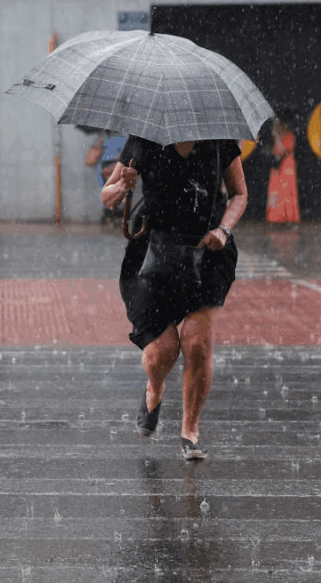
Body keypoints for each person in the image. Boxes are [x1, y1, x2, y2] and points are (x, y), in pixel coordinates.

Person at [101, 136, 246, 460]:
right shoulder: (144, 140)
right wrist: (123, 186)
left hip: (208, 251)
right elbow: (107, 197)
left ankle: (190, 431)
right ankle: (154, 387)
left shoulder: (219, 141)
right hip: (153, 252)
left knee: (198, 344)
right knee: (162, 353)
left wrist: (224, 229)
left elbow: (239, 193)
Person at [265, 118, 300, 224]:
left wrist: (277, 137)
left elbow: (281, 150)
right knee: (275, 191)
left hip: (286, 167)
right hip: (277, 167)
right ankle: (276, 216)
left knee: (286, 192)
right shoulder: (279, 137)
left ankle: (288, 216)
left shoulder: (289, 136)